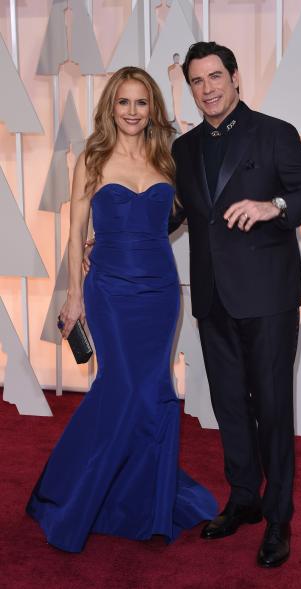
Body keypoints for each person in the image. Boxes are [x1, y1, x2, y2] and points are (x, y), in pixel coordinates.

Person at [26, 66, 217, 553]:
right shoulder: (92, 158)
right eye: (123, 102)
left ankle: (143, 499)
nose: (132, 112)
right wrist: (74, 294)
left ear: (152, 108)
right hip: (109, 290)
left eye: (141, 102)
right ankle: (75, 490)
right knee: (120, 387)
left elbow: (170, 218)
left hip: (159, 291)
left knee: (153, 390)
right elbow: (73, 234)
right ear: (111, 107)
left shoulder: (166, 160)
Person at [168, 41, 301, 568]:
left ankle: (279, 516)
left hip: (268, 298)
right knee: (229, 407)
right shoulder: (185, 149)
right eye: (197, 81)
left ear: (235, 78)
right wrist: (116, 238)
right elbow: (177, 214)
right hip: (213, 298)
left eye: (216, 76)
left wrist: (274, 205)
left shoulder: (274, 132)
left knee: (273, 408)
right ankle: (244, 498)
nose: (208, 89)